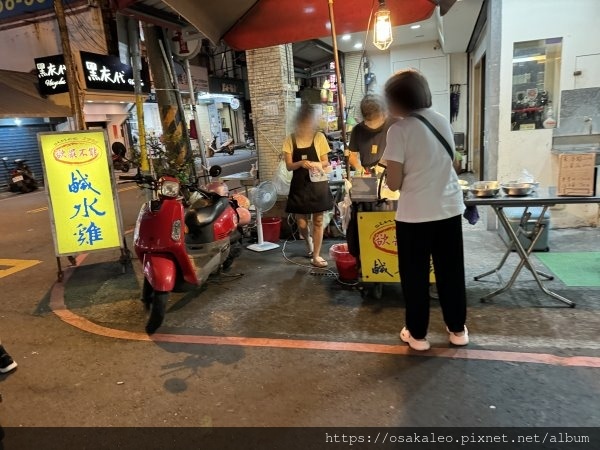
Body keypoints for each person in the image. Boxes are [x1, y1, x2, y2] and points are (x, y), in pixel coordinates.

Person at [382, 69, 468, 351]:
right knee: (451, 272)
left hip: (415, 216)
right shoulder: (442, 121)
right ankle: (457, 330)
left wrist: (392, 170)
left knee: (415, 276)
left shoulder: (399, 131)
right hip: (449, 209)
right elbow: (450, 163)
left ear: (399, 100)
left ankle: (417, 335)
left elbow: (394, 183)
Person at [284, 103, 333, 268]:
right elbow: (289, 166)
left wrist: (314, 163)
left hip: (317, 184)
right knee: (302, 223)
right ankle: (308, 241)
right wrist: (301, 163)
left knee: (318, 221)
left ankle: (317, 256)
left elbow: (326, 162)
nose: (306, 124)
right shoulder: (290, 139)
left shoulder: (319, 137)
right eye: (303, 121)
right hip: (299, 185)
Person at [348, 94, 395, 173]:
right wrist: (358, 168)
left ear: (383, 115)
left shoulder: (394, 127)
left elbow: (402, 152)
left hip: (390, 174)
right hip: (367, 174)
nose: (372, 125)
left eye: (376, 120)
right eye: (369, 122)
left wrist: (383, 164)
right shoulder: (358, 130)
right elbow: (352, 156)